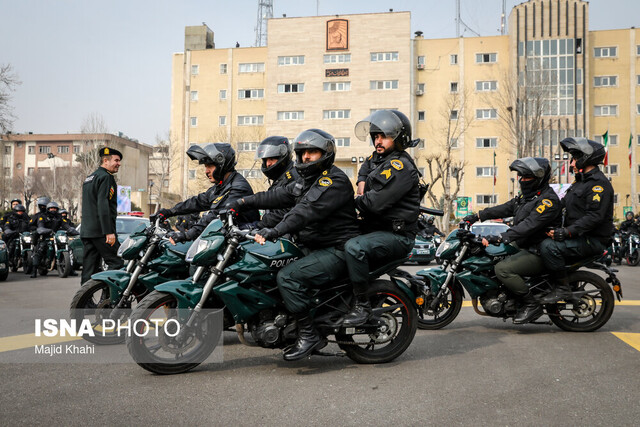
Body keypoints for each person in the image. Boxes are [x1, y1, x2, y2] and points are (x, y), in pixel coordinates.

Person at [229, 129, 359, 361]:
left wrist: (275, 230)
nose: (307, 156)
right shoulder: (308, 179)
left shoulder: (334, 180)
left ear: (326, 153)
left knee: (288, 278)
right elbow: (277, 196)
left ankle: (308, 335)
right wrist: (240, 202)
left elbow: (304, 211)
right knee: (270, 269)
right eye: (303, 152)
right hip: (312, 246)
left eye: (313, 152)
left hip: (335, 249)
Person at [339, 110, 421, 326]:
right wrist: (361, 181)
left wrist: (344, 203)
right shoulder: (380, 158)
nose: (378, 141)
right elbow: (367, 165)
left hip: (395, 235)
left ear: (399, 138)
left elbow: (374, 203)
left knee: (354, 248)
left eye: (383, 136)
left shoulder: (401, 166)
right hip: (375, 229)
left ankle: (362, 306)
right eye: (375, 136)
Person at [463, 157, 562, 323]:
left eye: (527, 177)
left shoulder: (547, 200)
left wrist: (502, 237)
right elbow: (507, 207)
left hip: (537, 250)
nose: (522, 181)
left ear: (539, 178)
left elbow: (529, 225)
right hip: (525, 244)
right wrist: (478, 216)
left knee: (502, 269)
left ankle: (531, 304)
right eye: (521, 177)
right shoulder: (529, 197)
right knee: (490, 256)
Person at [538, 137, 614, 303]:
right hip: (579, 237)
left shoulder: (597, 184)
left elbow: (594, 216)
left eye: (574, 159)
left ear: (586, 158)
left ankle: (562, 288)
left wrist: (566, 232)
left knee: (548, 247)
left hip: (591, 239)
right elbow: (561, 206)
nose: (571, 163)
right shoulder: (580, 183)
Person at [153, 143, 259, 244]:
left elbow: (216, 215)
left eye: (210, 166)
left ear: (221, 164)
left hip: (243, 245)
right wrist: (170, 211)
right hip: (228, 242)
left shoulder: (238, 187)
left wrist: (187, 235)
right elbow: (197, 202)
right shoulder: (221, 186)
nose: (206, 171)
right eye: (205, 167)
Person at [80, 147, 124, 285]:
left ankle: (84, 302)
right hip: (101, 232)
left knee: (89, 268)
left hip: (88, 231)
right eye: (116, 160)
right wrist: (109, 232)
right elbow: (103, 204)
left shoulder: (90, 178)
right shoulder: (106, 177)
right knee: (117, 262)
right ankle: (110, 297)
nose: (119, 163)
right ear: (105, 160)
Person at [250, 135, 299, 229]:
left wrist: (259, 225)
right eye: (265, 160)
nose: (268, 164)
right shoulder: (280, 179)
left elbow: (286, 211)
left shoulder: (293, 178)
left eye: (272, 159)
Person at [31, 202, 79, 278]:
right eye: (51, 208)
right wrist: (47, 230)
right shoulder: (42, 216)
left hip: (56, 237)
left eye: (55, 208)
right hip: (46, 237)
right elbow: (40, 227)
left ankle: (70, 269)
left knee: (69, 249)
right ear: (48, 209)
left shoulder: (59, 217)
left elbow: (66, 225)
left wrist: (73, 231)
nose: (53, 210)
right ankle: (34, 271)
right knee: (40, 249)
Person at [2, 203, 30, 269]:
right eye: (18, 211)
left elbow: (31, 225)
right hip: (14, 236)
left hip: (24, 236)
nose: (20, 213)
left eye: (21, 211)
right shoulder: (11, 218)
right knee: (11, 244)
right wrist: (9, 231)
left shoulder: (26, 218)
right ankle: (10, 259)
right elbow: (7, 226)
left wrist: (33, 229)